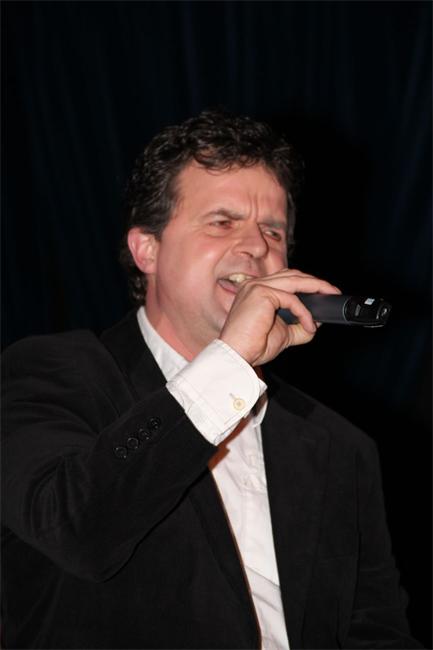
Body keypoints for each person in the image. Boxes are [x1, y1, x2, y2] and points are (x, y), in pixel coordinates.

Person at [2, 109, 420, 649]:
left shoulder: (340, 446)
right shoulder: (48, 372)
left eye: (273, 230)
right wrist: (230, 361)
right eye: (223, 222)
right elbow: (76, 529)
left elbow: (376, 632)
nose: (257, 247)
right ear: (146, 249)